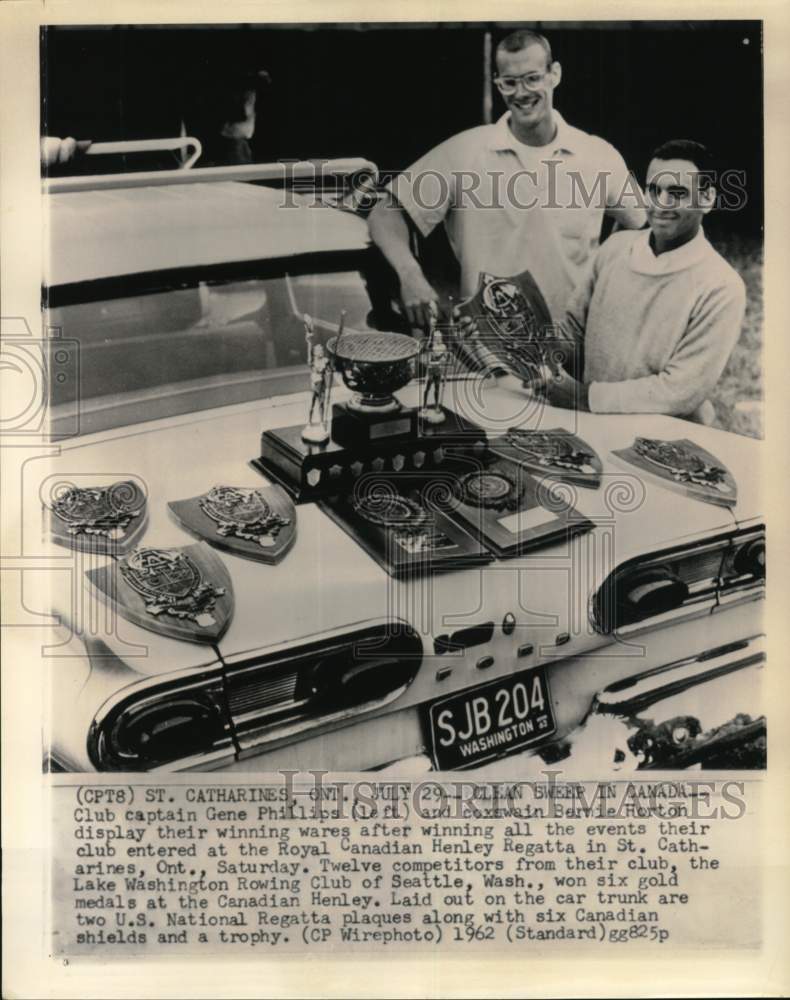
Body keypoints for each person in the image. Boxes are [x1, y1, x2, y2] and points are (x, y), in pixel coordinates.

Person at [368, 28, 645, 331]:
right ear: (497, 83)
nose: (522, 93)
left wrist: (610, 281)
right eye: (509, 82)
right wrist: (411, 275)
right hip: (492, 352)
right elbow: (385, 212)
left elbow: (642, 227)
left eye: (532, 78)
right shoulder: (465, 153)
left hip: (576, 350)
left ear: (555, 74)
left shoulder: (597, 155)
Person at [532, 140, 746, 423]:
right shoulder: (615, 249)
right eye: (654, 190)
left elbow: (680, 390)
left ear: (706, 199)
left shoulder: (721, 286)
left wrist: (584, 397)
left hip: (666, 439)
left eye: (677, 193)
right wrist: (516, 348)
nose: (661, 203)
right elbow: (573, 332)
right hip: (591, 422)